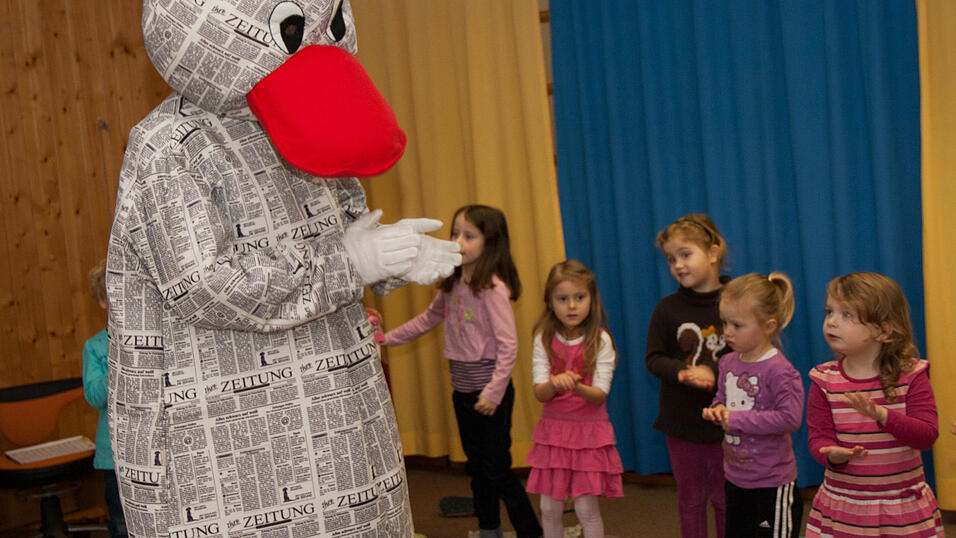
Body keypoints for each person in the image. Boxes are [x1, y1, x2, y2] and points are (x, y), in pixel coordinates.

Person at [381, 205, 542, 538]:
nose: (458, 241)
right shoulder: (453, 283)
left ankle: (531, 532)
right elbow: (427, 319)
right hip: (463, 393)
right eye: (455, 233)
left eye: (469, 235)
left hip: (490, 396)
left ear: (490, 242)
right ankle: (489, 529)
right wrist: (386, 339)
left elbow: (508, 346)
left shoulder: (493, 289)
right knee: (477, 469)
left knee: (497, 469)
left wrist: (493, 393)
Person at [805, 272, 942, 537]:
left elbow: (926, 435)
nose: (831, 322)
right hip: (845, 506)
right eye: (829, 312)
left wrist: (882, 415)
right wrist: (831, 453)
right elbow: (818, 437)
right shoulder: (823, 380)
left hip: (901, 507)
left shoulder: (911, 375)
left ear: (883, 330)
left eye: (846, 315)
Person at [645, 214, 730, 538]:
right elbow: (653, 359)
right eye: (671, 259)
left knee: (725, 498)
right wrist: (681, 372)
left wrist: (715, 371)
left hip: (726, 422)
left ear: (712, 252)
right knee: (691, 499)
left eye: (686, 254)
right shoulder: (667, 309)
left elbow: (754, 355)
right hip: (680, 421)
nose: (678, 265)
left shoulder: (735, 299)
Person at [525, 260, 623, 538]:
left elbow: (600, 395)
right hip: (553, 433)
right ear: (549, 302)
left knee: (586, 507)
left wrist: (576, 386)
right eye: (563, 299)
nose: (571, 306)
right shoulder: (543, 338)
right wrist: (555, 384)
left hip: (588, 434)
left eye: (579, 298)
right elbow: (539, 392)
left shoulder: (601, 340)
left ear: (591, 299)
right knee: (549, 507)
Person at [702, 272, 804, 537]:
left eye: (737, 325)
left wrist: (735, 419)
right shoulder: (727, 362)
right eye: (725, 323)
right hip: (736, 477)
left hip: (772, 482)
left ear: (769, 326)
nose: (727, 332)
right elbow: (723, 400)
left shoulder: (780, 370)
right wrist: (717, 410)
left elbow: (789, 418)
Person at [82, 259, 127, 538]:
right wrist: (118, 355)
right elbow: (95, 397)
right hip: (114, 458)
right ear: (102, 301)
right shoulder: (95, 347)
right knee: (122, 525)